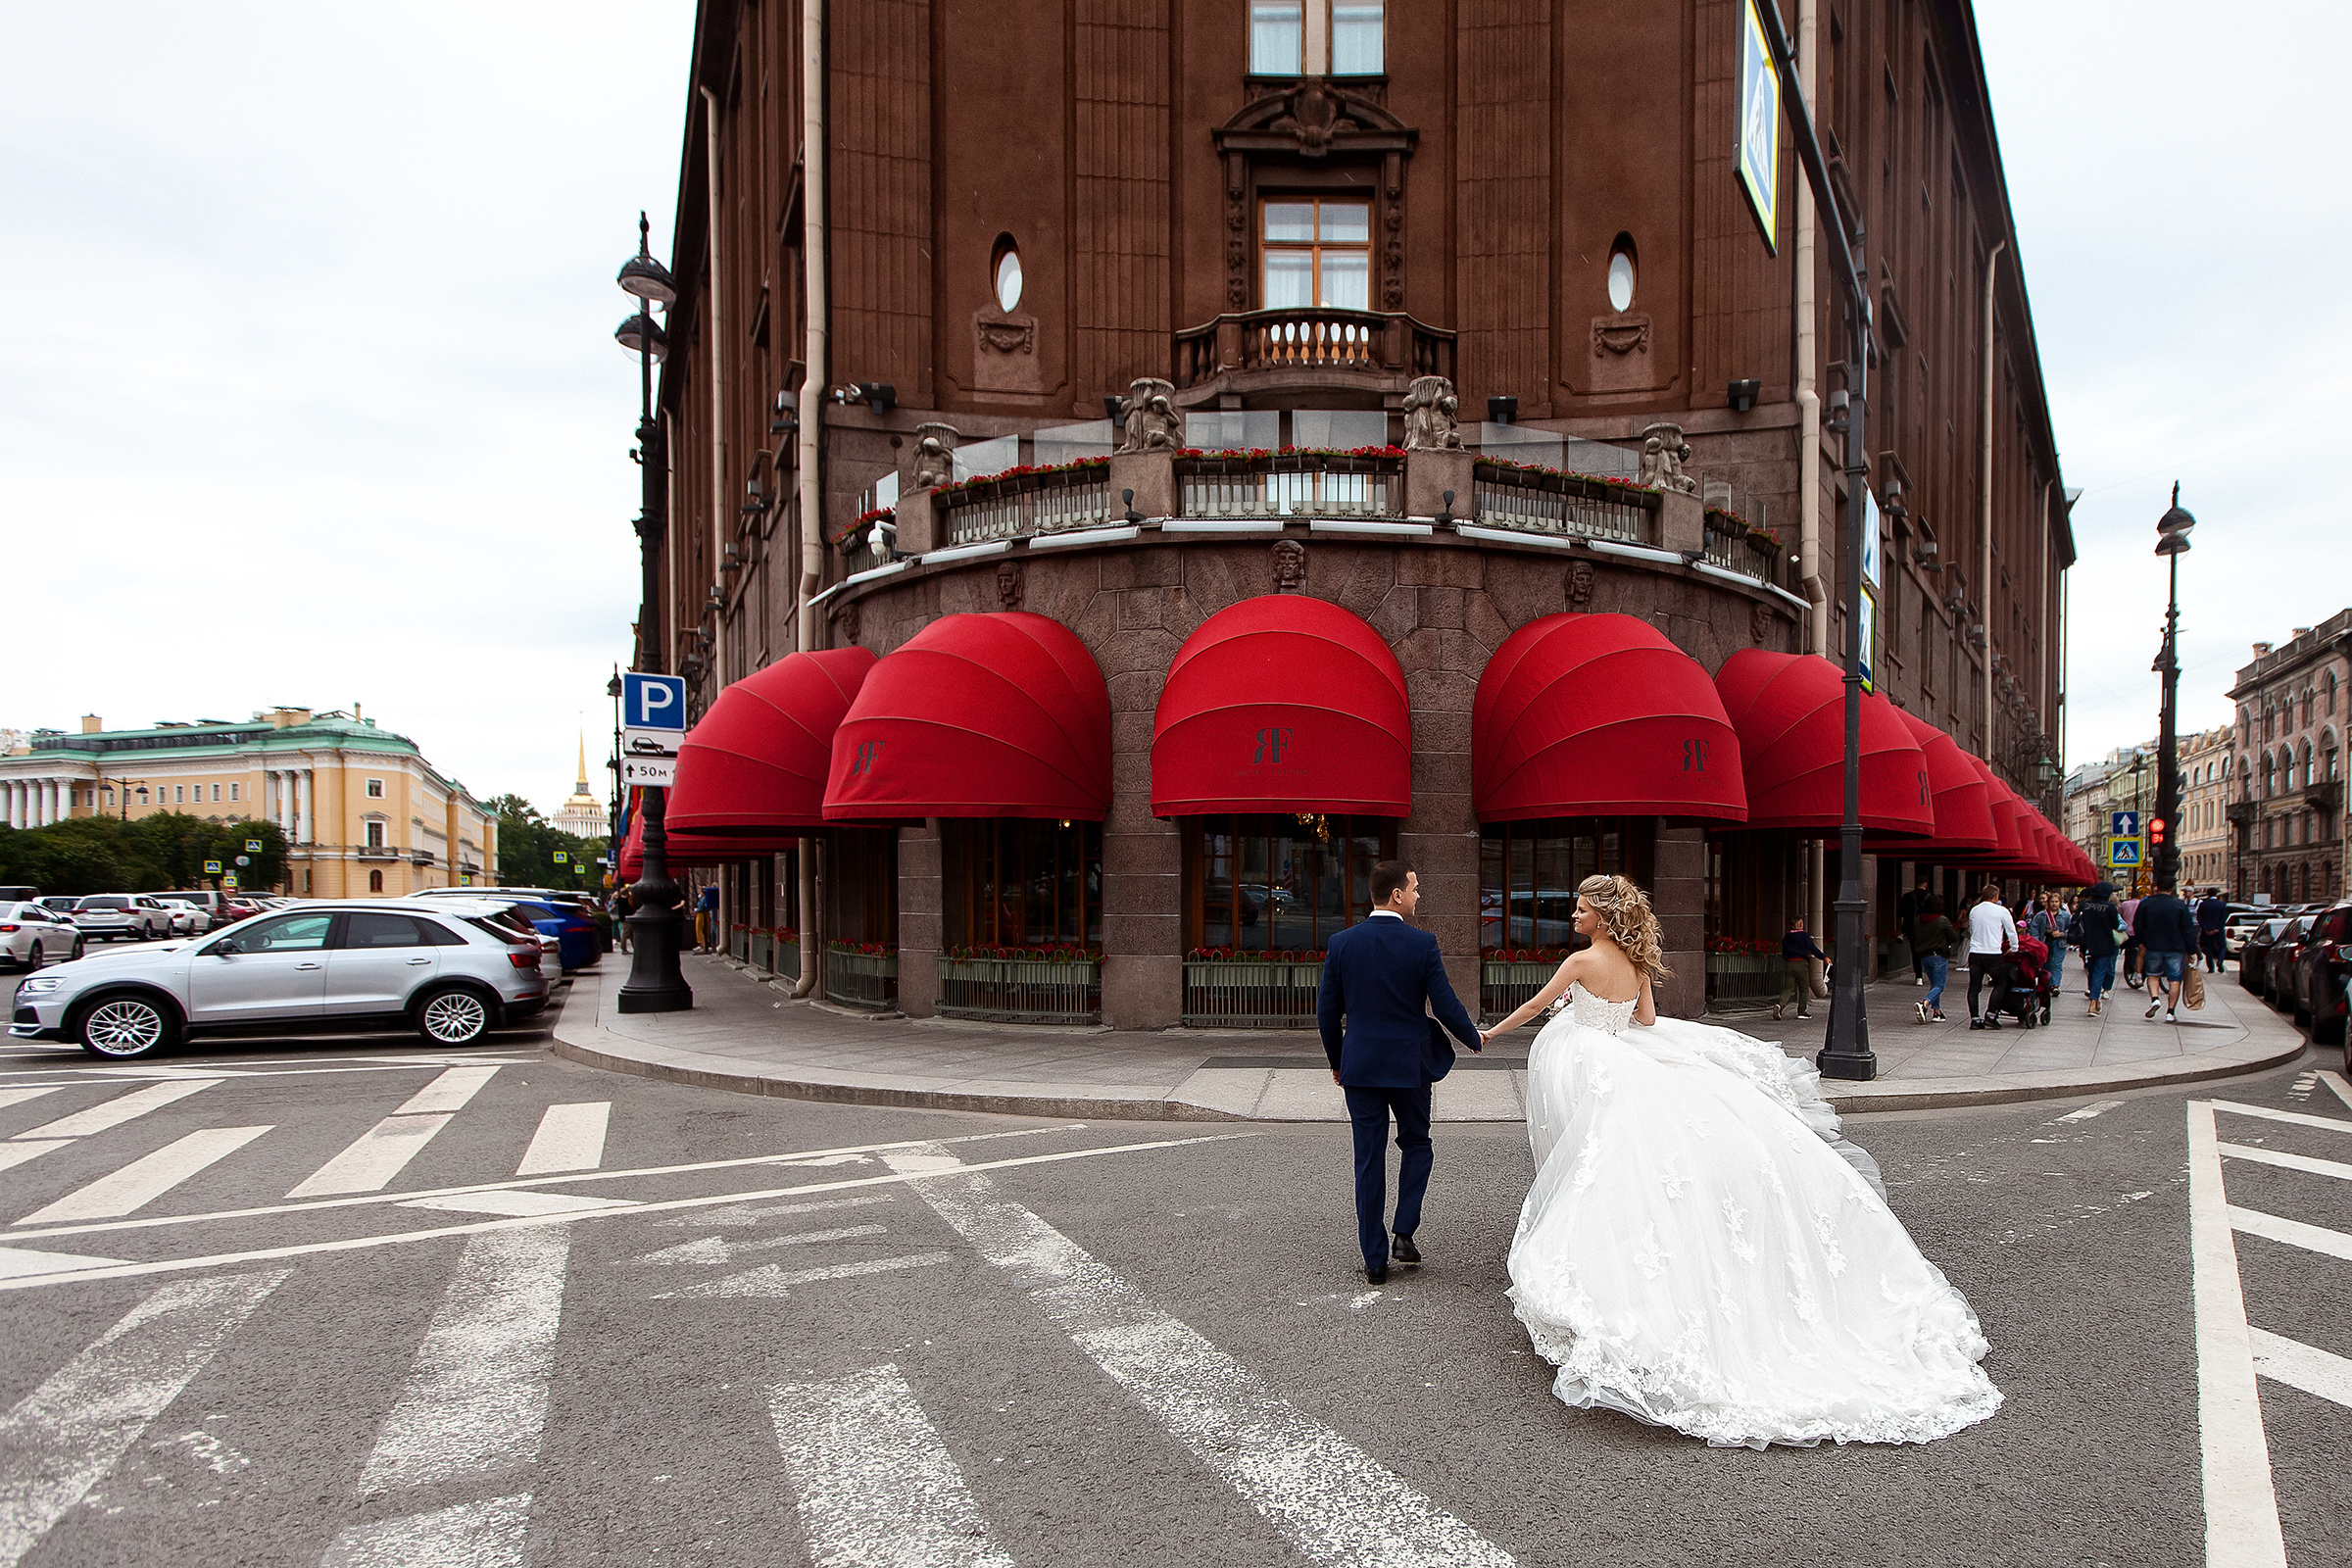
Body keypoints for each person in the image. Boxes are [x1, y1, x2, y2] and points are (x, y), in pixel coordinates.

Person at [1483, 874, 2001, 1448]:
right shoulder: (1635, 962)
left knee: (1597, 1158)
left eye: (1580, 909)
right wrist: (1612, 1013)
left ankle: (1606, 1261)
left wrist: (1489, 1033)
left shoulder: (1581, 961)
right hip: (1623, 1053)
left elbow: (1533, 1004)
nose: (1573, 916)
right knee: (1624, 1160)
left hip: (1588, 1058)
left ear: (1601, 919)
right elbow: (1648, 1024)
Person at [1316, 860, 1482, 1285]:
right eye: (1415, 888)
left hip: (1361, 1067)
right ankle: (1403, 1233)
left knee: (1368, 1160)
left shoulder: (1342, 943)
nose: (1418, 895)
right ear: (1397, 895)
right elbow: (1443, 1004)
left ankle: (1374, 1260)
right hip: (1410, 1066)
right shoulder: (1421, 944)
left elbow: (1327, 1013)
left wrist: (1338, 1061)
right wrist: (1474, 1038)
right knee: (1417, 1144)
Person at [2134, 877, 2199, 1024]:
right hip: (2175, 947)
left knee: (2152, 974)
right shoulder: (2180, 905)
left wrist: (2142, 940)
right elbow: (2188, 930)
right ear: (2172, 889)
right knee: (2175, 979)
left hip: (2153, 945)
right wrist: (2191, 950)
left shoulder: (2146, 903)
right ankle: (2170, 1012)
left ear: (2156, 887)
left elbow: (2138, 924)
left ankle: (2155, 999)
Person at [1966, 882, 2019, 1030]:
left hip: (1975, 952)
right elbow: (2011, 931)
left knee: (1974, 987)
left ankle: (1975, 1019)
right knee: (2000, 983)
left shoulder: (1974, 910)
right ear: (1996, 897)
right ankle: (1991, 1014)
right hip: (1993, 953)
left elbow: (1971, 929)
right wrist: (2014, 948)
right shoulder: (2002, 911)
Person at [2075, 883, 2126, 1016]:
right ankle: (2093, 1001)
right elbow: (2115, 924)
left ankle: (2093, 996)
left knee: (2091, 971)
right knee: (2099, 972)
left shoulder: (2086, 905)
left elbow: (2079, 921)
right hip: (2105, 943)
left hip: (2088, 942)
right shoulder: (2110, 907)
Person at [1912, 895, 1959, 1023]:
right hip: (1939, 955)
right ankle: (1924, 1003)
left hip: (1924, 956)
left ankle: (1937, 1012)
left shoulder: (1918, 920)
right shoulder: (1942, 920)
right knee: (1939, 985)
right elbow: (1954, 937)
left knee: (1934, 984)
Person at [1771, 916, 1828, 1021]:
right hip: (1801, 963)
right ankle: (1801, 1011)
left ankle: (1780, 1005)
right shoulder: (1804, 936)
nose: (1802, 925)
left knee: (1788, 988)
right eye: (1800, 923)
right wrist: (1823, 957)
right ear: (1799, 925)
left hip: (1789, 964)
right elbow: (1813, 949)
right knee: (1804, 988)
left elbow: (1784, 952)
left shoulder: (1786, 937)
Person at [2029, 893, 2072, 999]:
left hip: (2059, 942)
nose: (2054, 904)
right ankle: (2046, 984)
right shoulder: (2041, 915)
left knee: (2056, 964)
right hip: (2045, 942)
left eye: (2056, 902)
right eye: (2052, 902)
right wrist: (2037, 942)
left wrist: (2062, 934)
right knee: (2045, 964)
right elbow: (2034, 928)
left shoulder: (2065, 915)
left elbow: (2071, 929)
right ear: (2048, 903)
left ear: (2060, 903)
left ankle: (2055, 985)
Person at [1898, 877, 1930, 985]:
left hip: (1911, 928)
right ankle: (1929, 972)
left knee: (1915, 951)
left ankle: (1919, 976)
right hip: (1926, 928)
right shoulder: (1930, 897)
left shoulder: (1907, 897)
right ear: (1925, 884)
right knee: (1927, 950)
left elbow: (1901, 912)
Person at [2196, 888, 2230, 973]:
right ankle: (2220, 961)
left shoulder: (2203, 904)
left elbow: (2199, 918)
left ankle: (2211, 968)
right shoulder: (2222, 904)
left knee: (2208, 949)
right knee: (2222, 946)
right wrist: (2217, 928)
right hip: (2218, 930)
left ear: (2208, 894)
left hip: (2206, 931)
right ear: (2216, 895)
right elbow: (2223, 918)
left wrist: (2205, 928)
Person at [2118, 889, 2145, 992]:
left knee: (2128, 950)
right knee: (2140, 951)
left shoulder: (2124, 904)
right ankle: (2138, 969)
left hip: (2126, 931)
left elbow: (2119, 915)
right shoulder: (2142, 904)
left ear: (2130, 896)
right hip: (2137, 931)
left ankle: (2128, 966)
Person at [694, 881, 718, 953]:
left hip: (702, 915)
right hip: (702, 914)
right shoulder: (702, 898)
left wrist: (697, 909)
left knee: (702, 929)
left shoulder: (704, 898)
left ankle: (704, 945)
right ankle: (703, 945)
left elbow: (701, 907)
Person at [610, 884, 634, 954]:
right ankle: (623, 948)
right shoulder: (624, 901)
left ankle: (633, 947)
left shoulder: (620, 901)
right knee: (626, 933)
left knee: (630, 933)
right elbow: (626, 911)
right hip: (626, 919)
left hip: (624, 919)